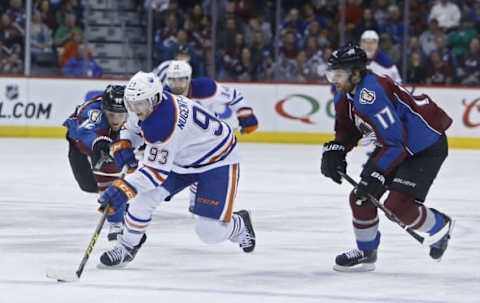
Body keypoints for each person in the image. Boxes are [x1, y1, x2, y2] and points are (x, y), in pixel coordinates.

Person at [97, 72, 256, 267]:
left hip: (217, 160)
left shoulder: (163, 124)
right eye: (131, 104)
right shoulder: (147, 102)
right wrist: (124, 143)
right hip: (182, 157)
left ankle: (239, 225)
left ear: (154, 99)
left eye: (138, 104)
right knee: (142, 200)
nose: (134, 109)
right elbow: (132, 128)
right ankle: (128, 246)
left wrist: (123, 188)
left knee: (209, 232)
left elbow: (154, 174)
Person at [320, 43, 454, 272]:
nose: (333, 79)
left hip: (425, 145)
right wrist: (336, 149)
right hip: (396, 144)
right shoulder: (344, 96)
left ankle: (440, 225)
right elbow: (348, 131)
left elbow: (396, 142)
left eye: (338, 74)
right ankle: (366, 252)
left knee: (398, 206)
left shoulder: (370, 96)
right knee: (361, 197)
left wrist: (376, 174)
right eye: (331, 73)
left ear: (355, 72)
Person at [63, 85, 129, 241]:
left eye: (121, 115)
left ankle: (116, 223)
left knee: (110, 175)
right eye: (111, 114)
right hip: (81, 145)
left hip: (112, 143)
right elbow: (85, 132)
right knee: (88, 185)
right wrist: (97, 142)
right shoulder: (93, 111)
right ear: (104, 109)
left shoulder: (136, 108)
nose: (116, 120)